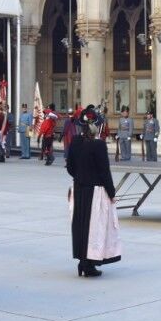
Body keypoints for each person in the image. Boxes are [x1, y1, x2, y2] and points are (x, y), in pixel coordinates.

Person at [65, 106, 121, 277]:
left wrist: (79, 178)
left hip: (79, 189)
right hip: (95, 191)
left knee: (80, 226)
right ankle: (89, 264)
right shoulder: (98, 145)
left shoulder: (74, 142)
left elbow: (70, 167)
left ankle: (83, 262)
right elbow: (105, 172)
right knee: (93, 229)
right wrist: (112, 193)